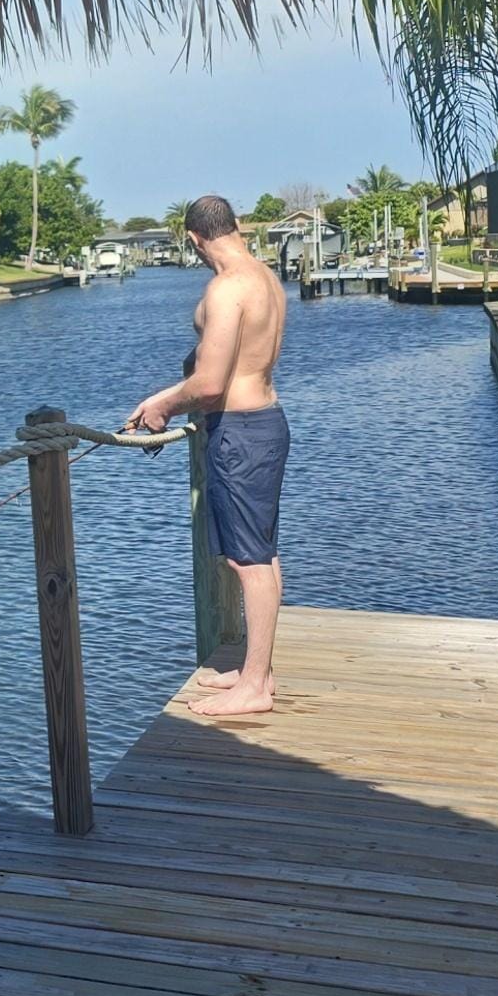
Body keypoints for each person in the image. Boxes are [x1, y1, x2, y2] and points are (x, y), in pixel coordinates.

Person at [124, 193, 288, 719]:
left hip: (240, 432)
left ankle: (256, 687)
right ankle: (256, 669)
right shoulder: (264, 277)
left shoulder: (226, 289)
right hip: (264, 422)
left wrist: (161, 405)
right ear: (235, 226)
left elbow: (212, 383)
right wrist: (170, 397)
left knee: (249, 561)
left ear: (193, 240)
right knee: (261, 553)